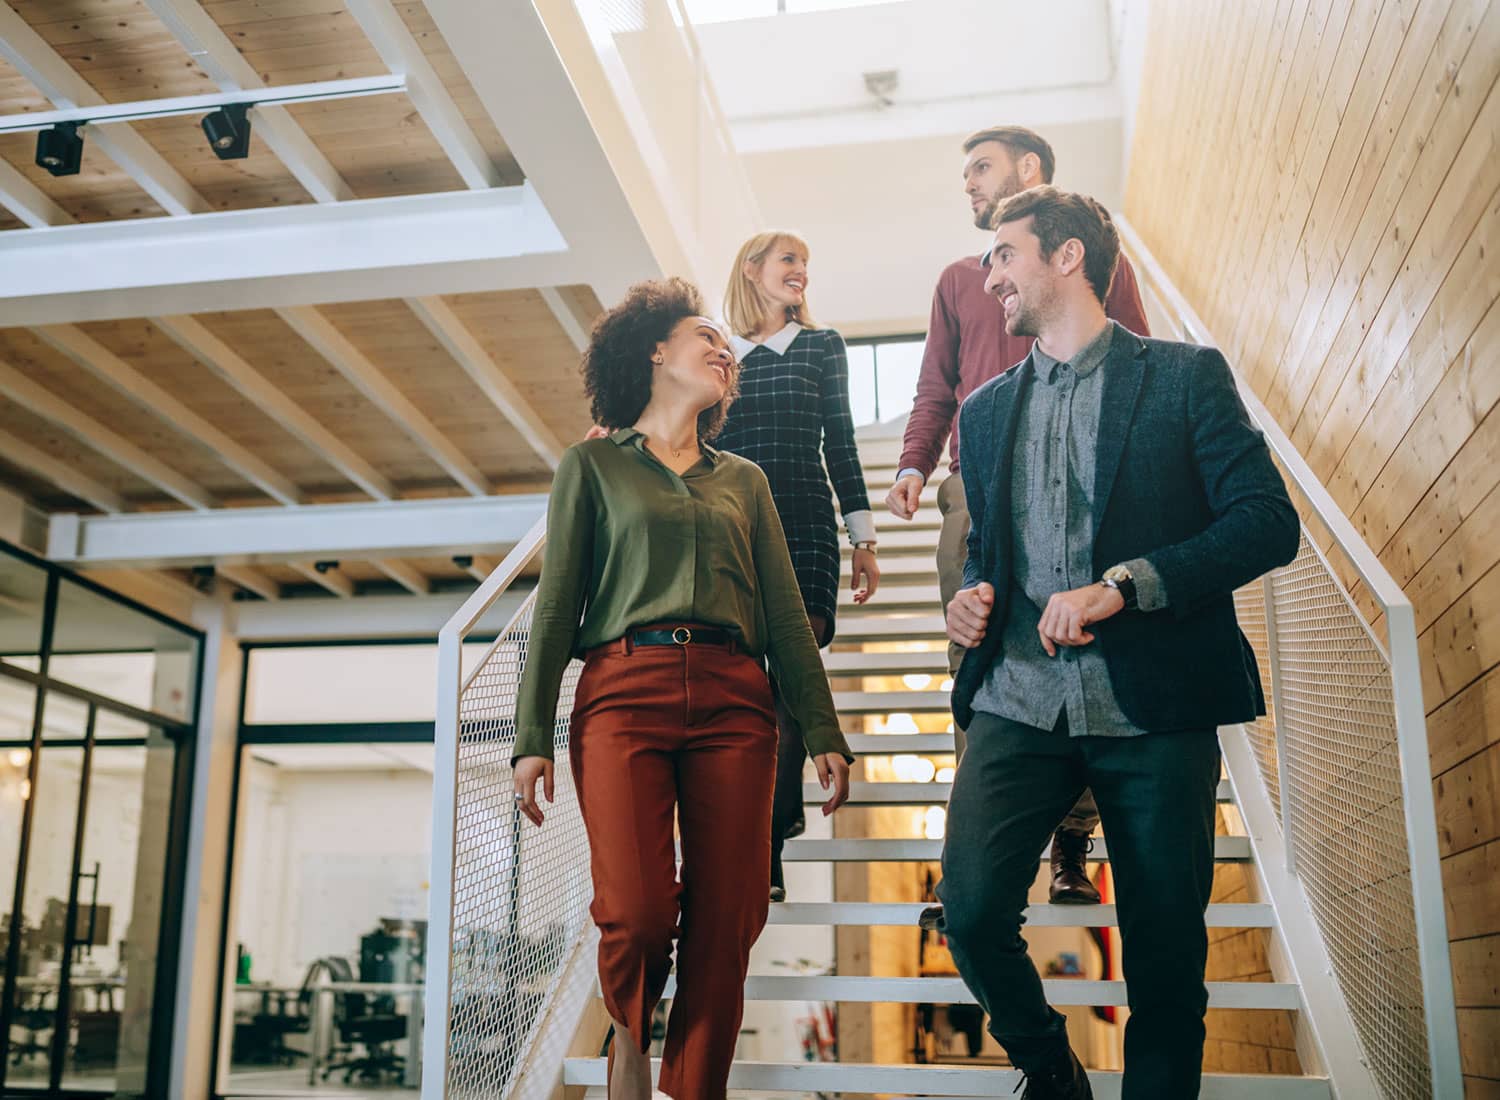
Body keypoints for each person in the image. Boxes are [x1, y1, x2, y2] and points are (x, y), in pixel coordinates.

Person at [937, 187, 1298, 1099]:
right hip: (1018, 696)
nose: (989, 278)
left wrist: (1124, 587)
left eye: (1004, 256)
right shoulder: (980, 414)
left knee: (1167, 958)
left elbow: (1266, 523)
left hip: (1158, 701)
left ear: (1066, 258)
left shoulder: (1185, 376)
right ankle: (1053, 1072)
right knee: (974, 912)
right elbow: (990, 555)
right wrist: (971, 602)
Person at [511, 278, 854, 1100]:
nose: (723, 351)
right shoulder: (592, 464)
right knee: (635, 912)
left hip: (738, 702)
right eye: (707, 336)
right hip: (623, 693)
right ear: (656, 351)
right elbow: (557, 606)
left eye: (726, 348)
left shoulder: (745, 481)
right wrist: (530, 737)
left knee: (729, 916)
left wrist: (825, 726)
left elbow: (783, 612)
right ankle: (630, 1037)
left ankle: (694, 1088)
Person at [890, 126, 1151, 910]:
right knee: (976, 663)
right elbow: (937, 382)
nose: (968, 183)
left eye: (981, 168)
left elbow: (1138, 357)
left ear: (1028, 170)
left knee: (1082, 655)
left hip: (1086, 485)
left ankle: (1072, 845)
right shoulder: (957, 280)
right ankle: (967, 857)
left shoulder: (1099, 263)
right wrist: (913, 458)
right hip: (978, 490)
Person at [717, 230, 880, 903]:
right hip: (734, 531)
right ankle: (765, 830)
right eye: (789, 260)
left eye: (806, 264)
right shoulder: (720, 355)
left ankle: (768, 846)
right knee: (749, 692)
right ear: (752, 269)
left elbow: (840, 440)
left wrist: (863, 536)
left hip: (807, 526)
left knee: (787, 686)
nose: (801, 272)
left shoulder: (821, 346)